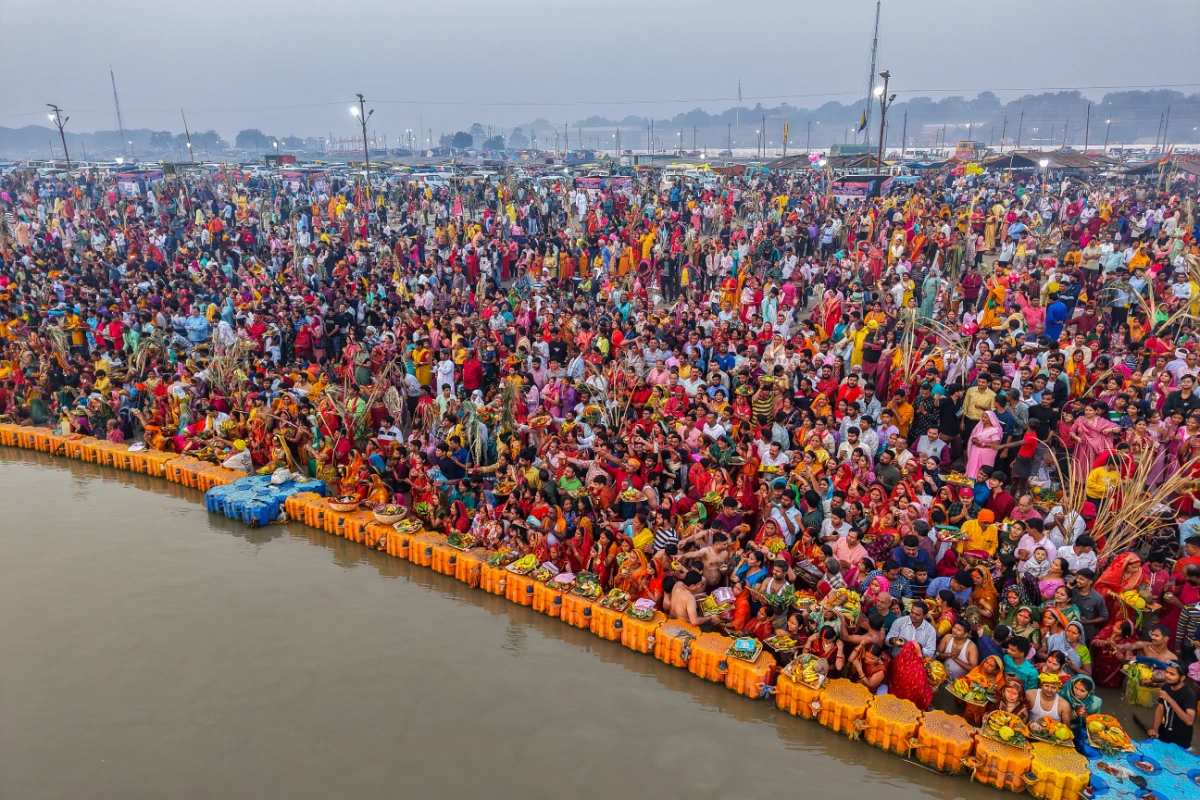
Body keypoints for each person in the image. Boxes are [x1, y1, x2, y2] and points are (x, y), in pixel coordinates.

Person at [1148, 662, 1196, 749]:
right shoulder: (1166, 687)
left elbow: (1189, 721)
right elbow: (1160, 710)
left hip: (1181, 741)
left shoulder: (1189, 695)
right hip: (1164, 734)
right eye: (1167, 672)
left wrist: (1170, 700)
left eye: (1172, 674)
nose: (1167, 676)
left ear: (1182, 678)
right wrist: (1155, 729)